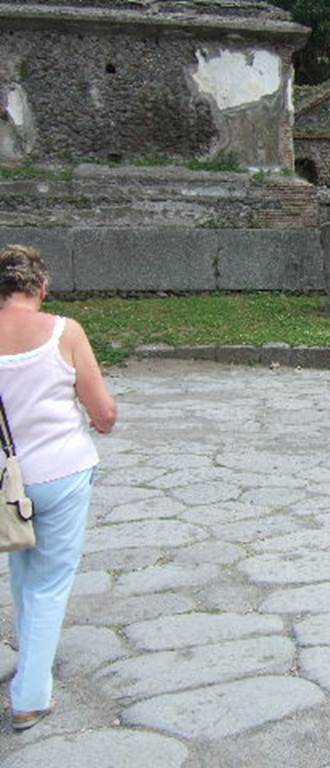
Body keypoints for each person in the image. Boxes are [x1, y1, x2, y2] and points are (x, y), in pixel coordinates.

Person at [0, 245, 117, 731]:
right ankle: (30, 694)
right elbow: (104, 414)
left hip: (7, 479)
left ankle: (30, 656)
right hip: (63, 473)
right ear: (41, 289)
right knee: (49, 582)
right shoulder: (65, 332)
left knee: (24, 570)